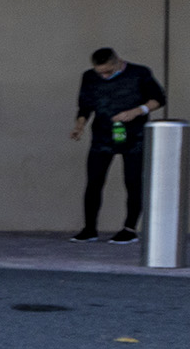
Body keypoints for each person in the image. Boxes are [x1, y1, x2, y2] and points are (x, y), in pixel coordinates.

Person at [70, 47, 166, 243]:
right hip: (102, 136)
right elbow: (85, 105)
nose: (104, 75)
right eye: (100, 72)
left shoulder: (139, 73)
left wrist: (137, 111)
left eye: (108, 71)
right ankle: (89, 228)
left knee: (133, 181)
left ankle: (129, 229)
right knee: (94, 181)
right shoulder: (89, 77)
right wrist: (79, 125)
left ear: (117, 62)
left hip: (134, 136)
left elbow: (159, 99)